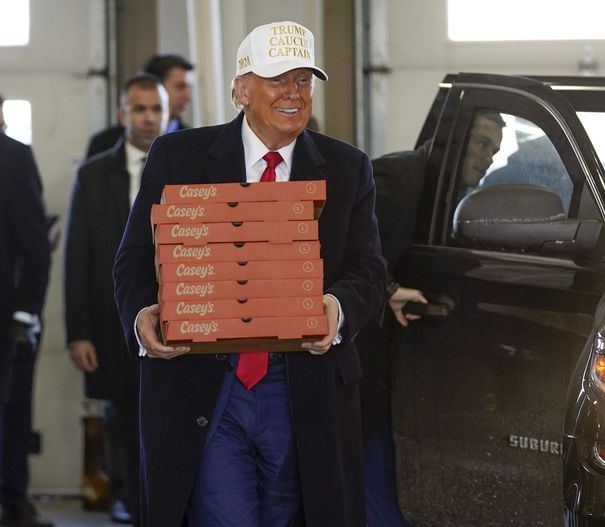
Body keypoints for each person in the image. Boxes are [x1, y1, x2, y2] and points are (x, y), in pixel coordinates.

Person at [113, 20, 386, 527]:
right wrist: (142, 317)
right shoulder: (179, 157)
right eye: (278, 78)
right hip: (210, 383)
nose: (294, 93)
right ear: (241, 89)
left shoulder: (349, 169)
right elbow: (132, 259)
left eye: (304, 80)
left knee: (289, 513)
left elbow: (369, 269)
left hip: (302, 383)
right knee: (227, 514)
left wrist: (337, 307)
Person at [357, 111, 505, 525]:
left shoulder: (448, 191)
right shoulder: (398, 177)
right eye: (481, 143)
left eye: (494, 149)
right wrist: (388, 289)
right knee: (371, 464)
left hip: (404, 360)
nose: (488, 157)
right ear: (453, 140)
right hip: (360, 357)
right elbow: (347, 252)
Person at [64, 74, 169, 526]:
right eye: (139, 109)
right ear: (123, 113)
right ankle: (128, 495)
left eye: (157, 109)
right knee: (122, 413)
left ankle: (167, 498)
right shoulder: (93, 173)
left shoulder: (187, 166)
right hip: (112, 320)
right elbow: (77, 257)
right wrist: (78, 333)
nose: (149, 118)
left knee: (172, 413)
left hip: (178, 312)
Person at [0, 95, 52, 527]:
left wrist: (25, 313)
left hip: (8, 317)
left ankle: (13, 498)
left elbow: (36, 245)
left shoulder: (13, 157)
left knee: (12, 410)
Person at [86, 54, 194, 158]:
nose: (188, 96)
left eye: (189, 88)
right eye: (180, 87)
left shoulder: (194, 143)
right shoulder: (103, 144)